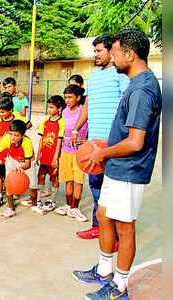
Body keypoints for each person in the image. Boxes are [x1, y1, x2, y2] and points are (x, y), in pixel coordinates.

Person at [72, 29, 161, 300]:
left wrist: (103, 152)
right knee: (104, 216)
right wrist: (103, 143)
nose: (112, 56)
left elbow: (135, 142)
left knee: (125, 226)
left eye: (115, 51)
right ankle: (104, 270)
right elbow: (125, 132)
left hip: (130, 169)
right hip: (117, 166)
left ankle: (119, 287)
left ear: (129, 54)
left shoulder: (143, 89)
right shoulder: (135, 83)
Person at [72, 35, 130, 240]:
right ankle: (98, 227)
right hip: (92, 142)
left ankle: (115, 234)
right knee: (95, 186)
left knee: (113, 191)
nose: (95, 55)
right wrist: (77, 128)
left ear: (110, 52)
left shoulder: (120, 75)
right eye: (94, 51)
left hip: (113, 144)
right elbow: (87, 106)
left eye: (99, 51)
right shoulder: (93, 76)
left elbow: (127, 105)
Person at [0, 93, 28, 207]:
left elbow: (27, 127)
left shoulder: (17, 120)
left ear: (11, 110)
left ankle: (12, 192)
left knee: (11, 175)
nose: (0, 114)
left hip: (13, 155)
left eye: (3, 112)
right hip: (0, 154)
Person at [55, 85, 88, 221]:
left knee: (78, 181)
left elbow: (91, 130)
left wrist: (87, 141)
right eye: (65, 97)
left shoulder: (84, 111)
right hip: (65, 152)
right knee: (68, 179)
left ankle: (75, 208)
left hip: (79, 153)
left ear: (78, 97)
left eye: (70, 97)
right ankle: (69, 206)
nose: (67, 100)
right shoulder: (64, 112)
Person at [29, 95, 66, 215]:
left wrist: (56, 157)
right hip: (44, 155)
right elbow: (41, 139)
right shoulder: (45, 121)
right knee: (41, 176)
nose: (49, 110)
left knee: (54, 178)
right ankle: (39, 199)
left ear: (59, 108)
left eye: (51, 107)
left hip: (53, 156)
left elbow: (59, 141)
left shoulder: (61, 122)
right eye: (48, 107)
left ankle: (52, 200)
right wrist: (38, 154)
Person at [0, 119, 34, 218]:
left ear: (22, 136)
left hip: (25, 161)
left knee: (32, 185)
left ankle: (36, 202)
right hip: (12, 159)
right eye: (11, 134)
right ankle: (10, 208)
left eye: (16, 135)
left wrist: (20, 167)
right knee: (9, 184)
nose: (13, 137)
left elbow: (28, 164)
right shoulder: (7, 139)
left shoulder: (27, 143)